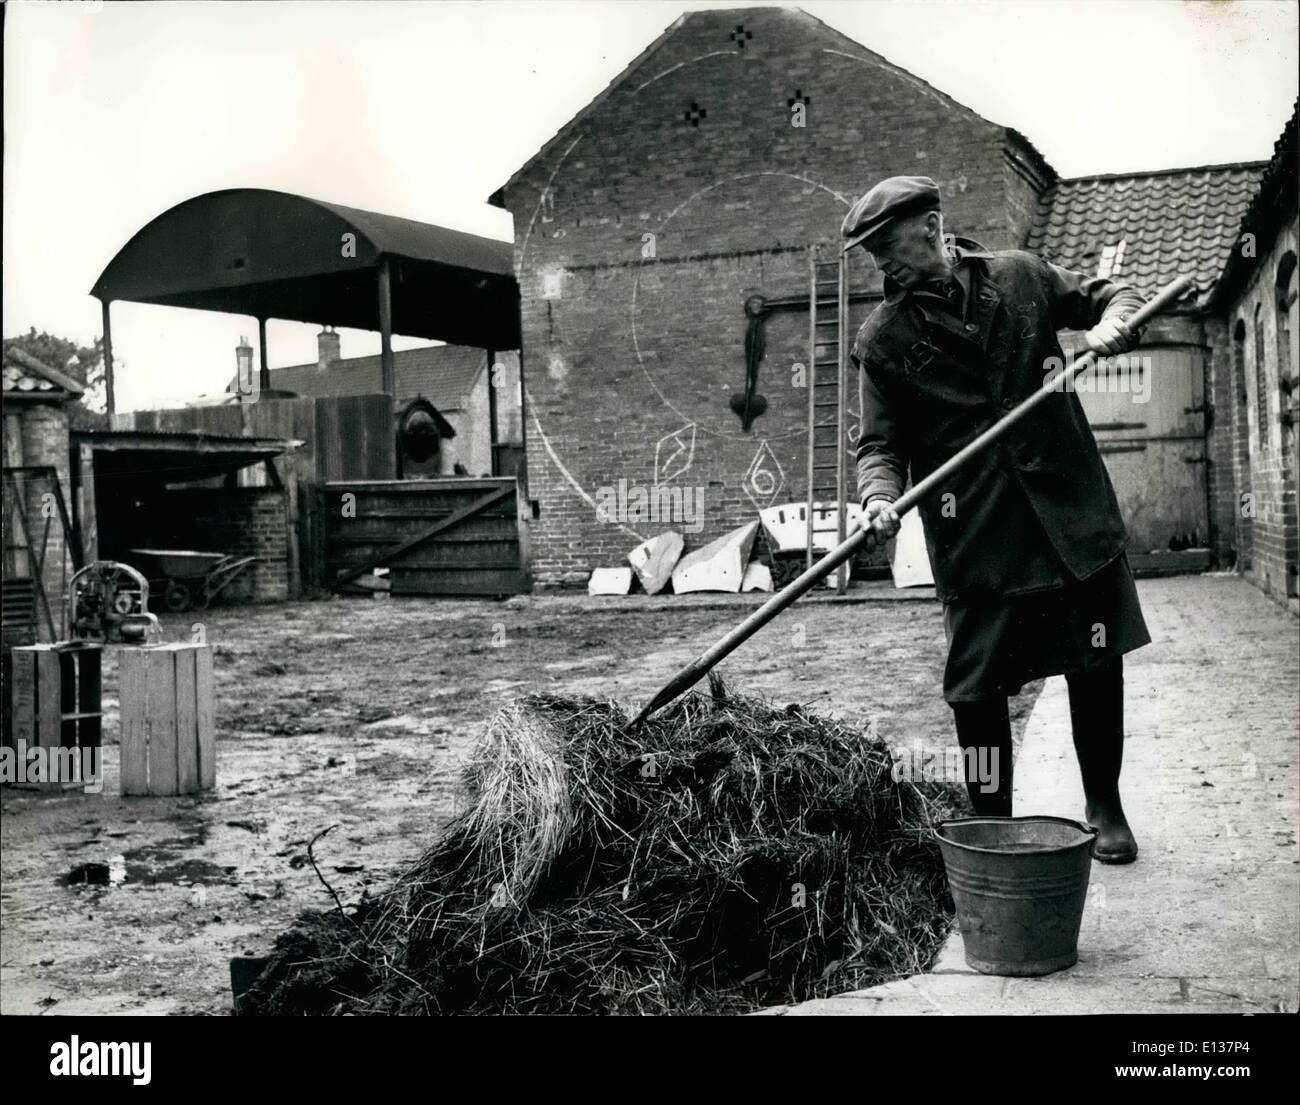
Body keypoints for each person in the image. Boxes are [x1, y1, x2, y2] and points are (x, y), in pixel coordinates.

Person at [842, 175, 1151, 863]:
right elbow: (879, 445)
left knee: (1095, 659)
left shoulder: (1022, 277)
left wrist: (1113, 323)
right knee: (976, 687)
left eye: (888, 247)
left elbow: (1112, 295)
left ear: (930, 227)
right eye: (872, 256)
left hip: (1070, 513)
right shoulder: (884, 339)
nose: (882, 266)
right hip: (978, 534)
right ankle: (993, 827)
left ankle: (1104, 805)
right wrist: (876, 499)